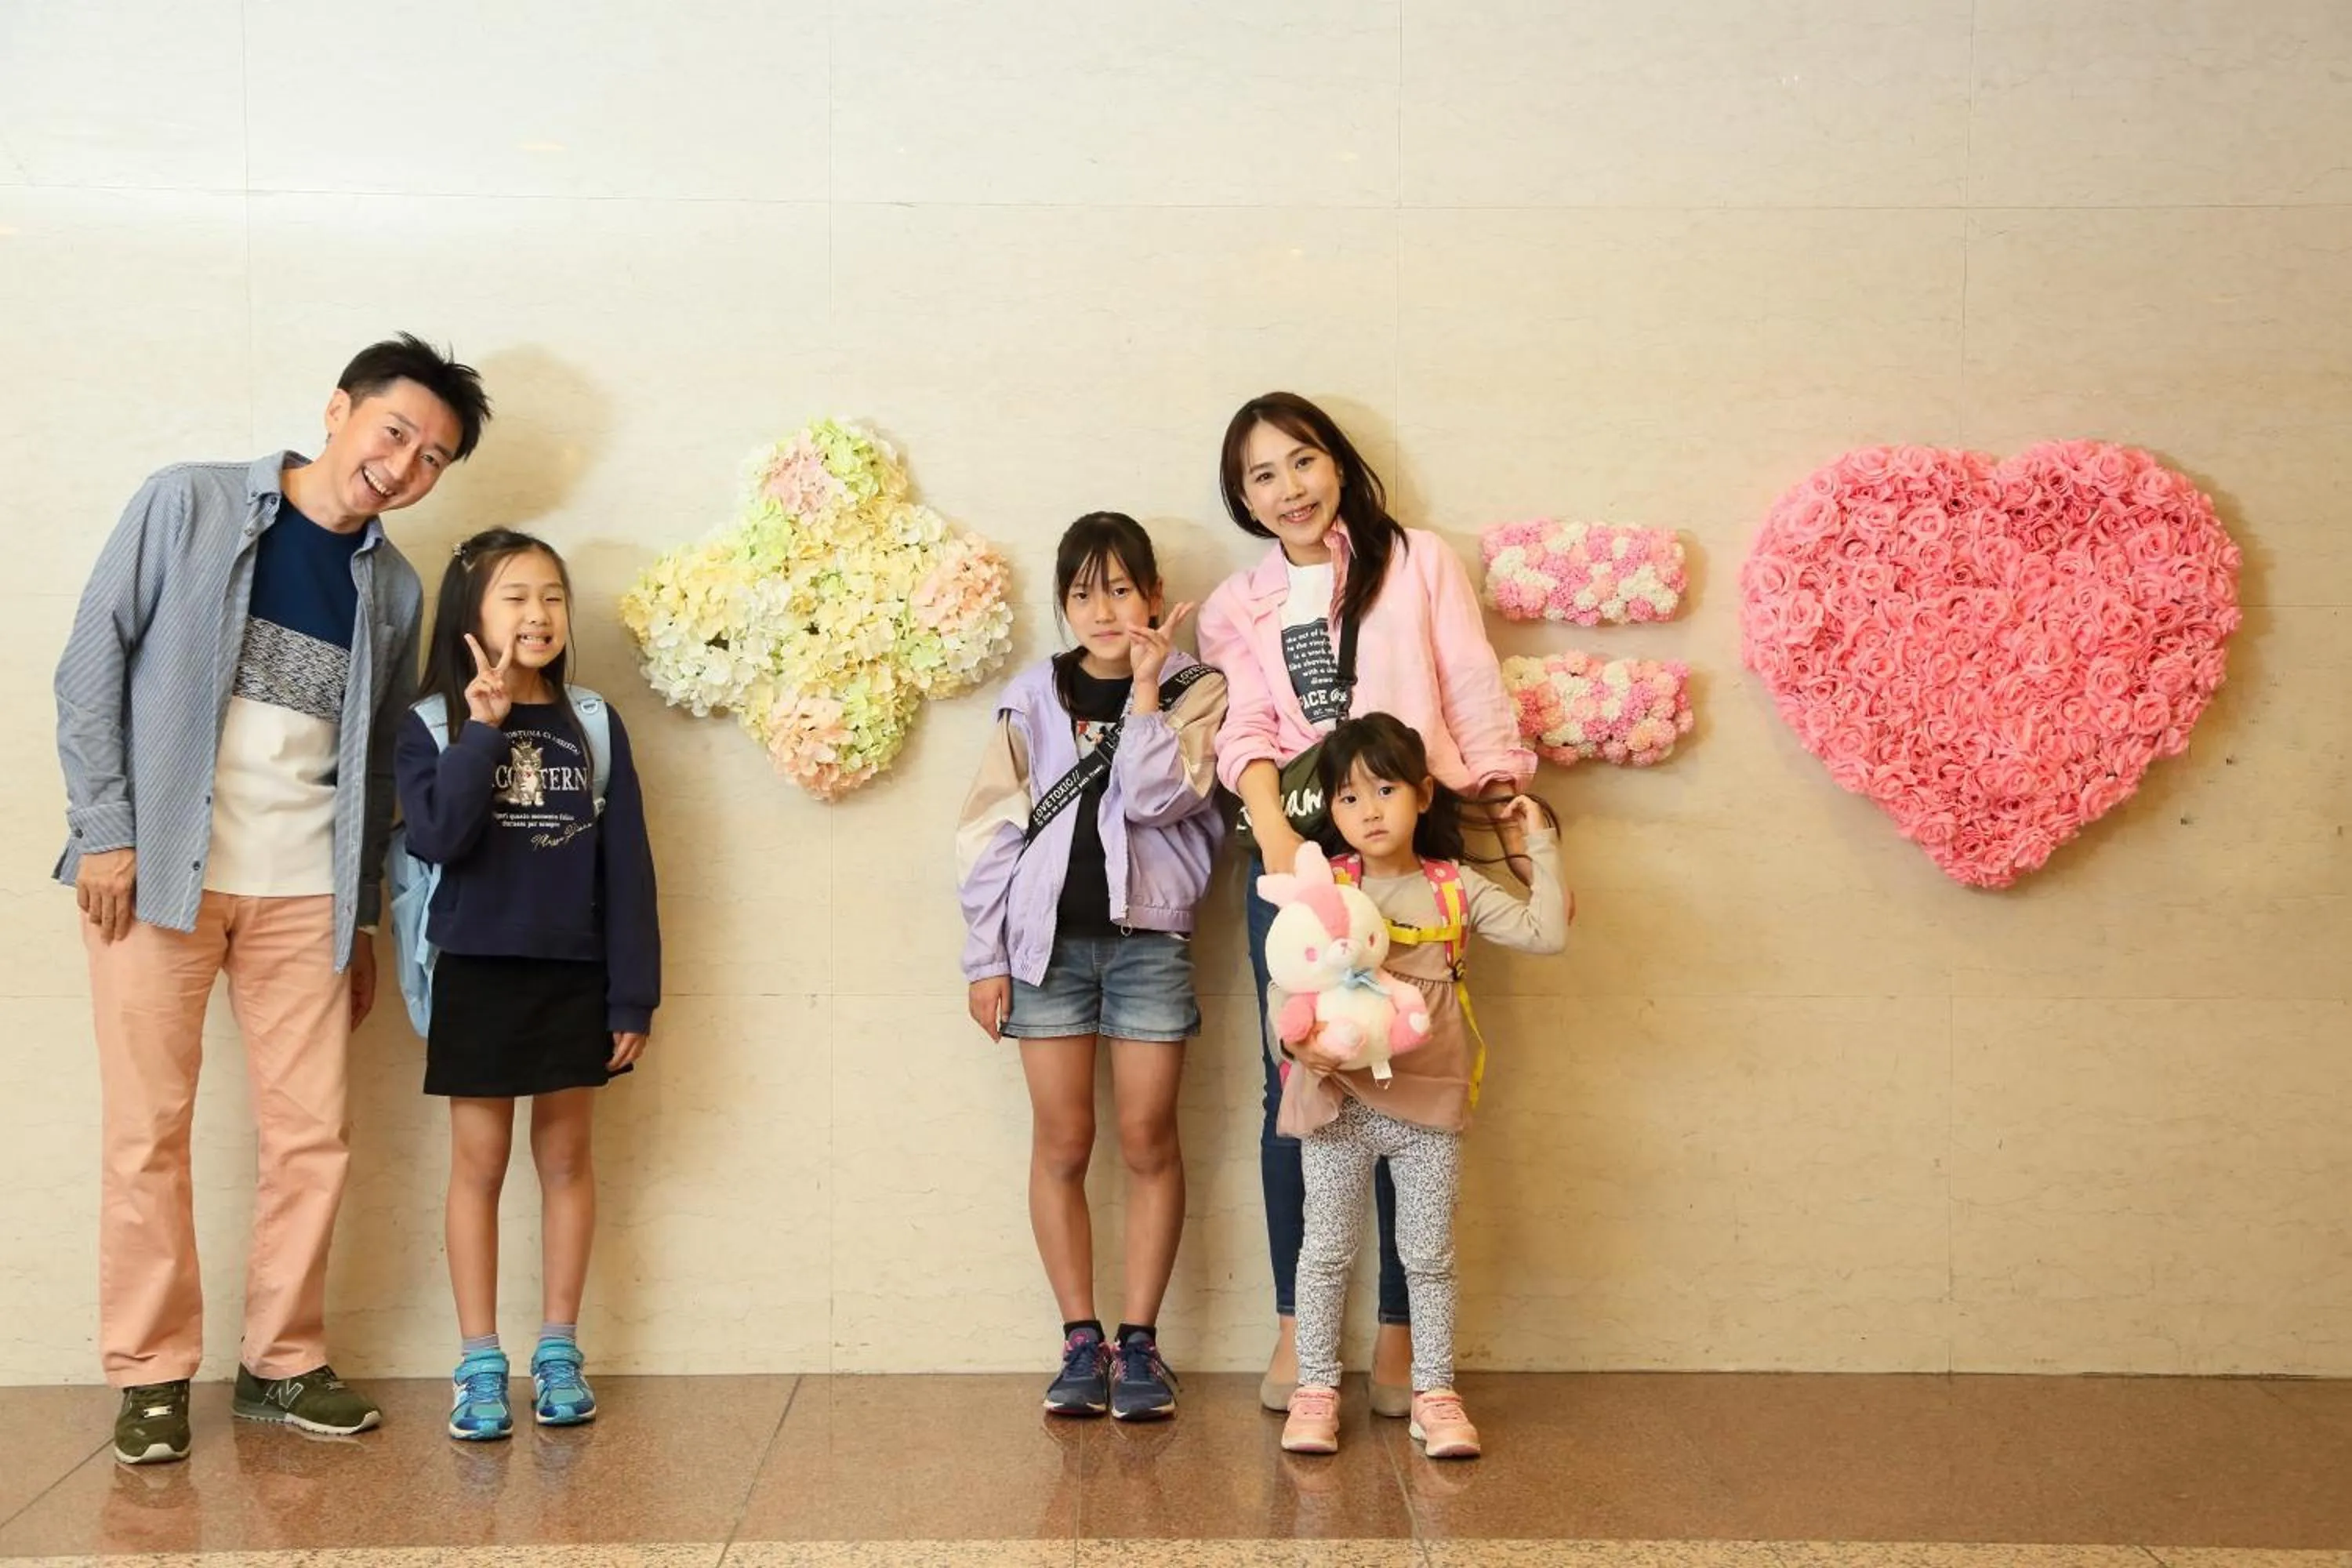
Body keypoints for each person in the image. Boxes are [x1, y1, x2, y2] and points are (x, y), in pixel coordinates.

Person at [55, 334, 492, 1464]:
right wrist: (106, 830)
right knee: (146, 1134)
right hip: (158, 879)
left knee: (313, 1138)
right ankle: (151, 1374)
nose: (404, 466)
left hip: (305, 891)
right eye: (395, 433)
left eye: (434, 457)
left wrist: (358, 921)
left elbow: (387, 760)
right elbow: (91, 660)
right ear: (340, 410)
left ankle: (282, 1364)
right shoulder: (190, 505)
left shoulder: (391, 585)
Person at [1196, 391, 1534, 1416]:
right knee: (1296, 1085)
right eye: (1263, 475)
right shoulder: (1234, 605)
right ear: (1244, 498)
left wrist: (1508, 807)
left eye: (1302, 462)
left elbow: (1469, 683)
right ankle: (1301, 1333)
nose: (1288, 488)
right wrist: (1284, 843)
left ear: (1337, 465)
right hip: (1298, 862)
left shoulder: (1419, 560)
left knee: (1414, 1078)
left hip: (1412, 847)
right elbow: (1244, 733)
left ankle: (1400, 1334)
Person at [956, 512, 1228, 1421]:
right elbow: (991, 829)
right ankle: (1081, 1338)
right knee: (1063, 1143)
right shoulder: (1033, 693)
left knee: (1149, 1138)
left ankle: (1141, 1342)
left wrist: (1147, 688)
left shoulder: (1196, 689)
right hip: (1044, 951)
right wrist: (985, 955)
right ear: (1064, 602)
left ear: (1153, 593)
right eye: (1083, 591)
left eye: (1121, 587)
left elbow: (1159, 797)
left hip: (1149, 944)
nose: (1103, 608)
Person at [394, 528, 659, 1441]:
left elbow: (627, 868)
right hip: (476, 971)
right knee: (478, 1167)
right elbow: (437, 835)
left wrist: (633, 996)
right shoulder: (434, 722)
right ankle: (477, 1361)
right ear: (472, 611)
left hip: (573, 974)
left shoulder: (592, 720)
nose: (538, 613)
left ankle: (558, 1350)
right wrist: (484, 728)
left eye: (551, 595)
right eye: (515, 596)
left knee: (566, 1162)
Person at [1275, 713, 1570, 1459]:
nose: (1368, 811)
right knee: (1325, 1252)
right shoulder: (1326, 887)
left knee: (1430, 1254)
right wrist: (1299, 1045)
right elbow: (1290, 978)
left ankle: (1435, 1394)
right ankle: (1315, 1390)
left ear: (1424, 793)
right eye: (1347, 798)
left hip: (1429, 1105)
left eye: (1384, 788)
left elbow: (1548, 932)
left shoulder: (1455, 888)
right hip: (1338, 1102)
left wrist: (1539, 845)